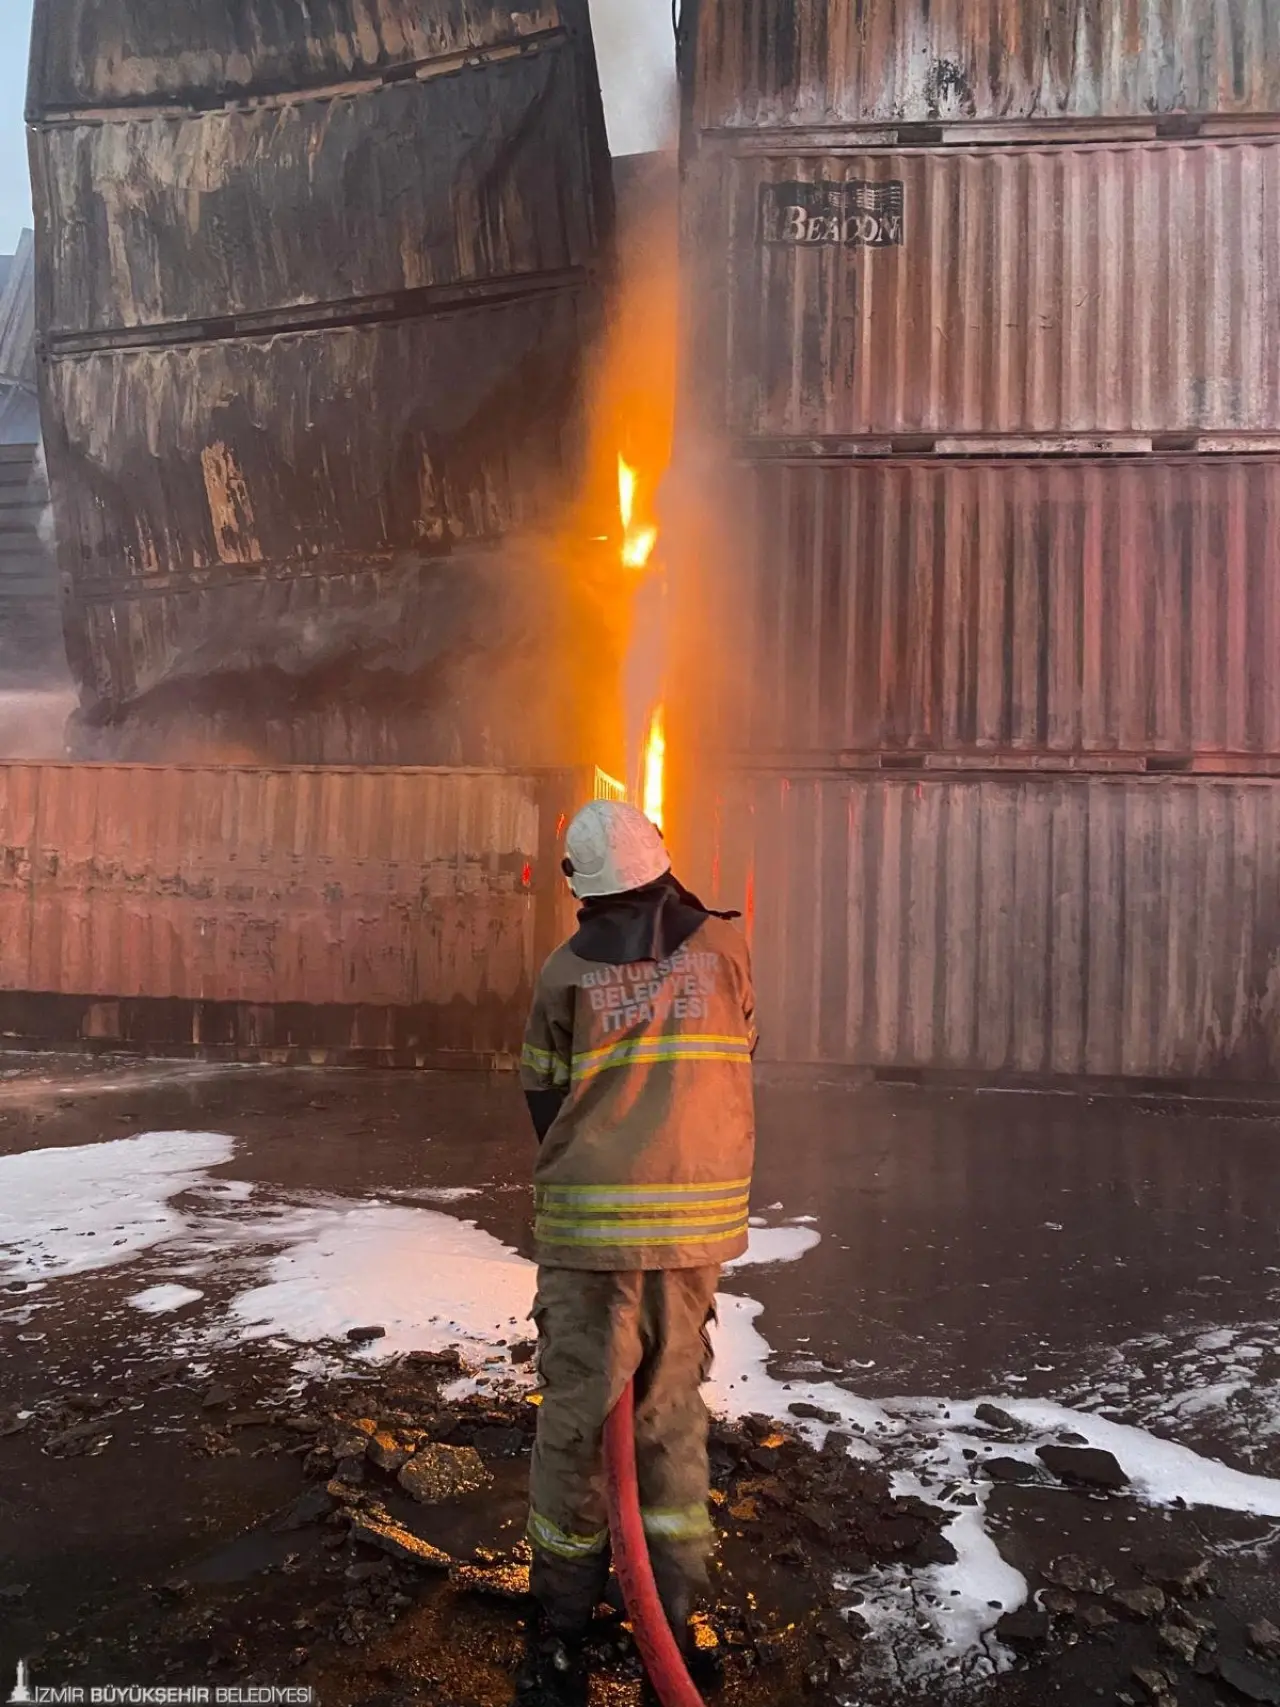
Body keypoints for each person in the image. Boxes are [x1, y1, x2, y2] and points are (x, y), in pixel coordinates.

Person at [516, 798, 757, 1701]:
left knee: (578, 1422)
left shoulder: (564, 970)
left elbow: (540, 1091)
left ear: (581, 884)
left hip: (588, 1236)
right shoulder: (728, 950)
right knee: (667, 1416)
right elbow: (742, 1052)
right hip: (695, 1229)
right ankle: (673, 1612)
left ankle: (563, 1624)